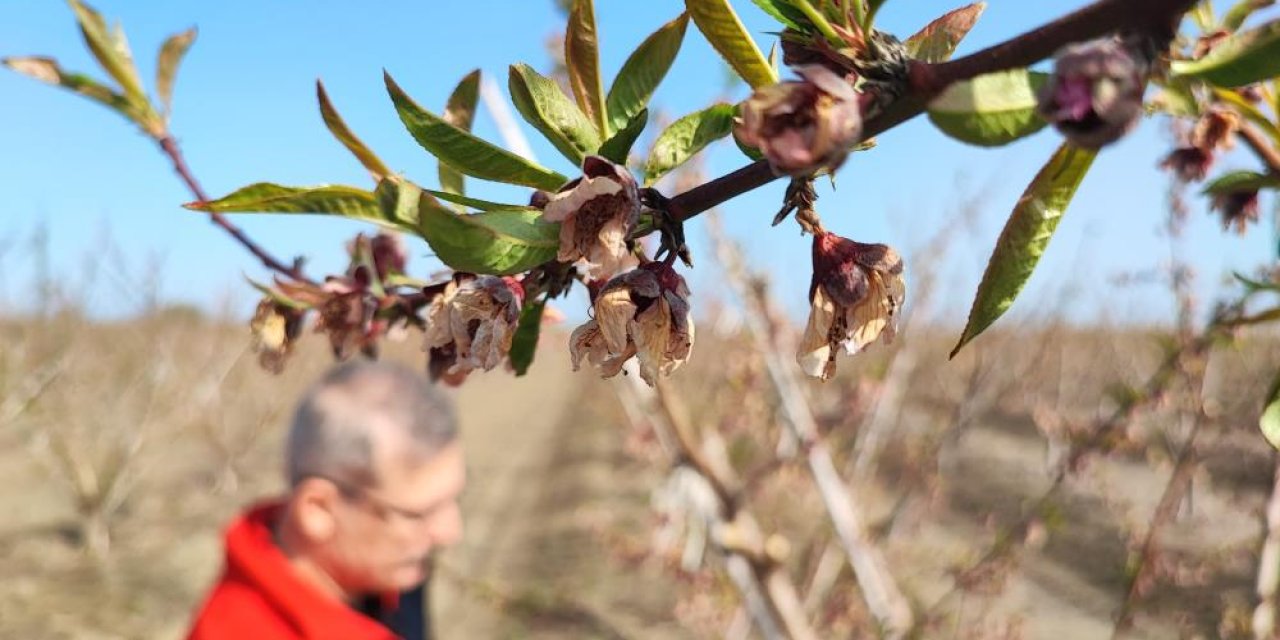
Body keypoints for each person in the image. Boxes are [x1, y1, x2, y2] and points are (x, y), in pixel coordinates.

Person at [188, 360, 465, 640]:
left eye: (451, 501)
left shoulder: (385, 575)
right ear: (317, 510)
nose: (449, 532)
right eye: (418, 514)